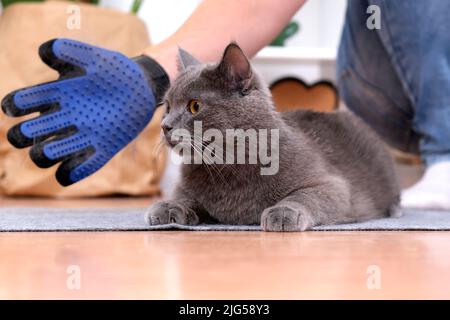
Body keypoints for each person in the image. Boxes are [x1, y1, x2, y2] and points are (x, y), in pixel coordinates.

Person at [3, 0, 449, 209]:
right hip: (390, 89)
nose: (169, 123)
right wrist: (152, 74)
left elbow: (331, 192)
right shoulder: (213, 156)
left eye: (190, 110)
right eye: (170, 109)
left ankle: (444, 155)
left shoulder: (287, 160)